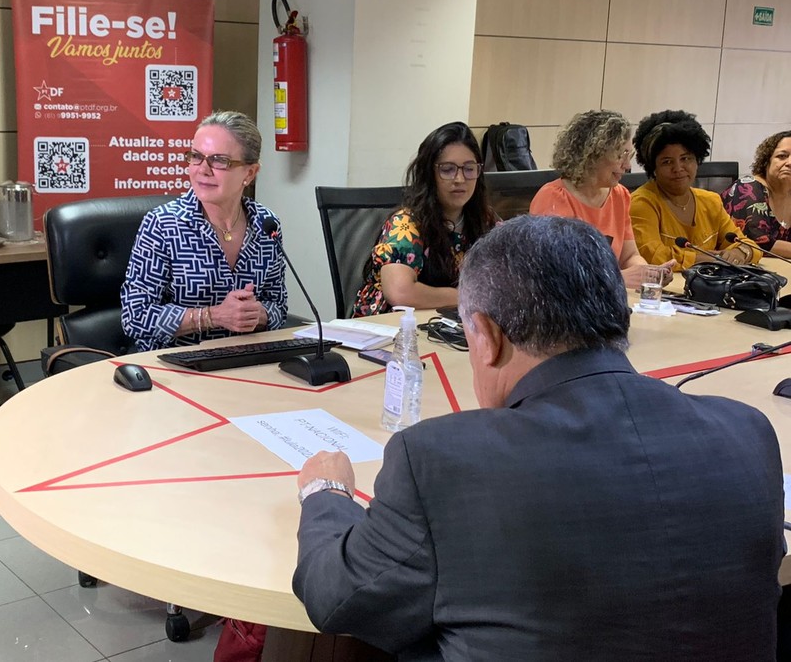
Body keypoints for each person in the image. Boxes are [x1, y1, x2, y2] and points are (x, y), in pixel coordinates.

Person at [292, 214, 784, 661]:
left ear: (484, 336)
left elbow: (340, 601)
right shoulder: (748, 433)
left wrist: (325, 494)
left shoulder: (441, 460)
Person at [120, 110, 287, 352]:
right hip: (172, 366)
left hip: (245, 362)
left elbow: (279, 307)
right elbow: (135, 317)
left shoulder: (266, 224)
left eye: (220, 160)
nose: (203, 169)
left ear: (249, 173)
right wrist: (213, 316)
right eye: (196, 156)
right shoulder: (162, 225)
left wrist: (258, 314)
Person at [352, 122, 497, 317]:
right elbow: (401, 293)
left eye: (469, 169)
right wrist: (471, 297)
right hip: (391, 330)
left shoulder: (484, 219)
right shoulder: (406, 224)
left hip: (449, 325)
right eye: (448, 169)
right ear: (429, 174)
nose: (460, 179)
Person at [529, 109, 672, 288]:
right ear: (592, 155)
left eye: (629, 155)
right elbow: (560, 276)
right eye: (621, 155)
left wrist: (648, 275)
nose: (627, 166)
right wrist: (619, 279)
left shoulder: (620, 195)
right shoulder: (553, 198)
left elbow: (629, 256)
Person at [630, 109, 759, 269]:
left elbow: (744, 243)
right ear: (653, 168)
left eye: (685, 158)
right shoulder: (642, 202)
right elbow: (653, 256)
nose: (678, 168)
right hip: (665, 290)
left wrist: (741, 252)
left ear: (697, 160)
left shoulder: (711, 201)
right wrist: (707, 258)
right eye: (667, 162)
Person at [722, 130, 791, 257]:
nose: (789, 163)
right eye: (782, 156)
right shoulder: (748, 188)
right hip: (740, 270)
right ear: (767, 161)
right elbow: (757, 243)